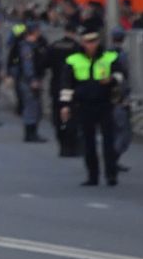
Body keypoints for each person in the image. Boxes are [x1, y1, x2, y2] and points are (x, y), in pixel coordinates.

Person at [58, 30, 123, 186]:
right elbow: (66, 85)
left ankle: (111, 174)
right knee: (88, 142)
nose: (91, 45)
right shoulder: (73, 60)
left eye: (94, 41)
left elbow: (121, 75)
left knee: (109, 141)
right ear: (82, 43)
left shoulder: (109, 57)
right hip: (83, 105)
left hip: (105, 103)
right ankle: (92, 176)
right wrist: (65, 106)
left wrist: (111, 79)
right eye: (88, 42)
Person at [45, 22, 82, 158]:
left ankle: (62, 146)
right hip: (73, 86)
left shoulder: (54, 46)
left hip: (56, 85)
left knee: (58, 116)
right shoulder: (77, 48)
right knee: (73, 117)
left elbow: (45, 63)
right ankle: (72, 146)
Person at [16, 21, 48, 143]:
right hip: (28, 81)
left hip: (34, 79)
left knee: (35, 107)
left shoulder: (35, 45)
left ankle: (33, 132)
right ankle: (30, 134)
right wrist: (32, 79)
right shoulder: (27, 46)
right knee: (31, 107)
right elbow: (27, 65)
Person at [109, 26, 135, 168]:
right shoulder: (121, 56)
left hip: (109, 99)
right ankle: (113, 159)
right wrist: (125, 98)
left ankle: (113, 160)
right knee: (124, 132)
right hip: (118, 98)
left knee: (114, 131)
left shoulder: (105, 55)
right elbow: (123, 80)